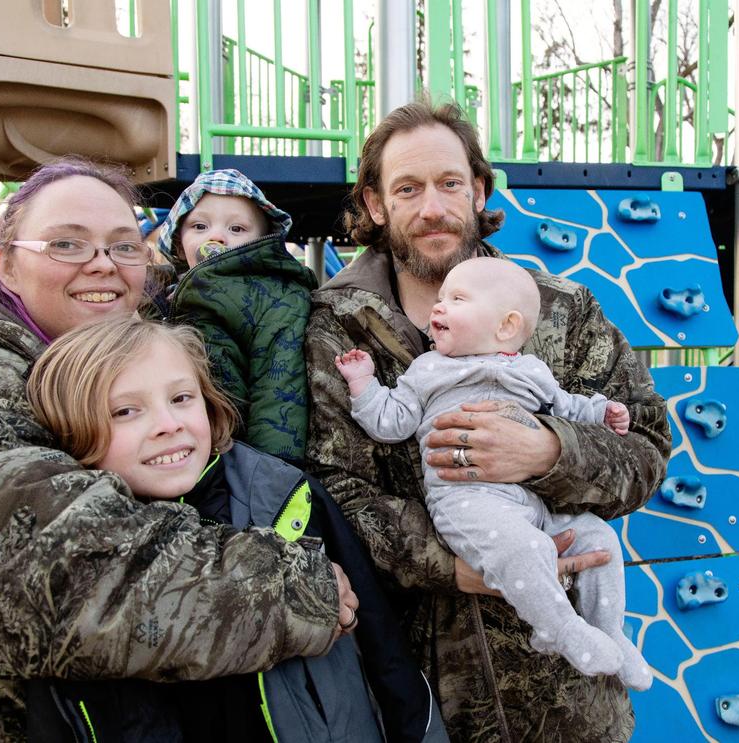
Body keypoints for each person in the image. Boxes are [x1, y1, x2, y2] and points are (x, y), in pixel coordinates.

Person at [0, 157, 350, 741]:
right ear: (6, 264)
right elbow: (58, 581)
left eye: (125, 246)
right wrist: (295, 585)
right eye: (67, 244)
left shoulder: (112, 352)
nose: (103, 264)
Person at [305, 99, 672, 741]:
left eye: (450, 183)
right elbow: (330, 487)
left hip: (565, 702)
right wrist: (453, 565)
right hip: (409, 684)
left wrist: (548, 453)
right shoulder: (338, 324)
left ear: (478, 190)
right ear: (375, 204)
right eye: (407, 188)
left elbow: (644, 450)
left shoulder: (559, 308)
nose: (432, 208)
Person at [23, 316, 446, 741]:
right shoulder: (65, 553)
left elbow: (383, 645)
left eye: (182, 398)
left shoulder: (284, 494)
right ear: (71, 429)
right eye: (126, 411)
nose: (169, 424)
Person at [335, 257, 651, 689]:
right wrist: (364, 384)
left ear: (506, 327)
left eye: (457, 299)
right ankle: (558, 628)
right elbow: (392, 421)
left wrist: (602, 412)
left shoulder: (531, 370)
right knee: (521, 547)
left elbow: (567, 405)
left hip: (531, 499)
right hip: (467, 501)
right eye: (440, 299)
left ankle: (610, 630)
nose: (439, 308)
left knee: (599, 539)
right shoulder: (429, 369)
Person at [157, 168, 315, 463]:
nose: (216, 236)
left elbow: (279, 394)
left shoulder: (276, 298)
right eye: (200, 227)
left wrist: (270, 474)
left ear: (261, 242)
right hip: (174, 444)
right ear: (179, 242)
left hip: (238, 454)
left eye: (237, 229)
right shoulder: (164, 296)